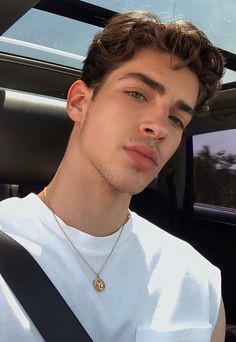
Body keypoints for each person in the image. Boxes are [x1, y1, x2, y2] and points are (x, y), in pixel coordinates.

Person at [0, 10, 225, 342]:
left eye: (177, 118)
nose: (159, 127)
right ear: (80, 102)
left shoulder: (198, 280)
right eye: (137, 94)